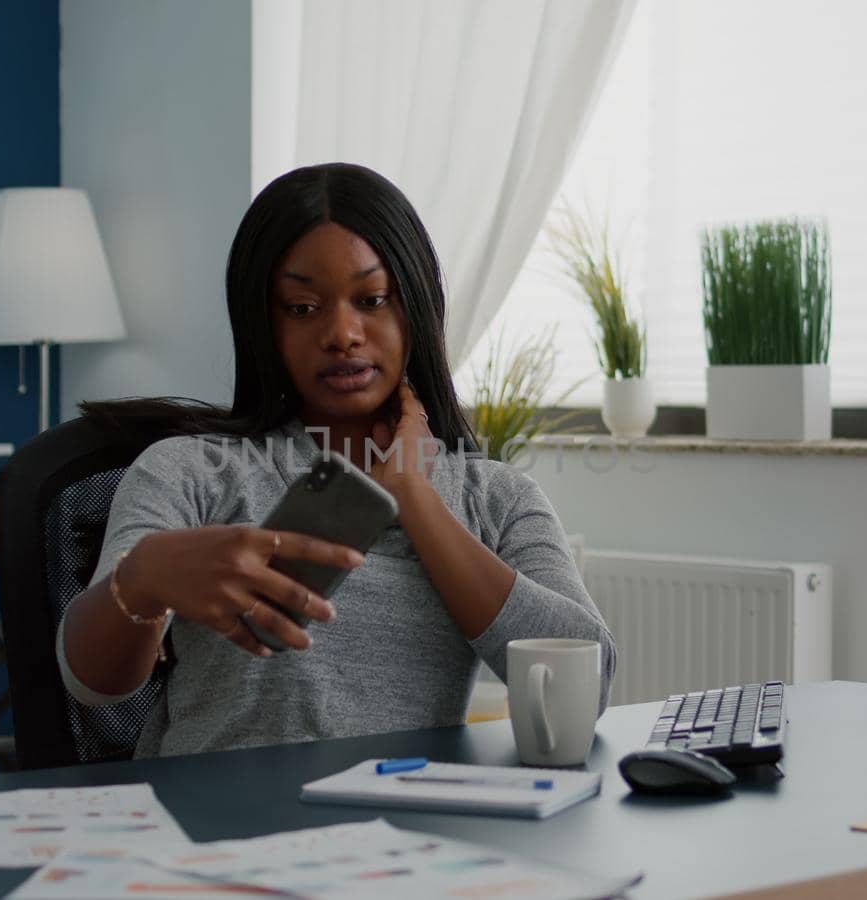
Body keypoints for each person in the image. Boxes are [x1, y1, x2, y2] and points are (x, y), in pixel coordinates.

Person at [58, 162, 616, 757]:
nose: (342, 333)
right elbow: (93, 685)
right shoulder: (192, 473)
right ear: (263, 326)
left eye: (372, 299)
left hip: (405, 830)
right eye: (302, 307)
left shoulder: (496, 499)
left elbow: (588, 678)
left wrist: (415, 497)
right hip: (224, 833)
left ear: (415, 308)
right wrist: (141, 579)